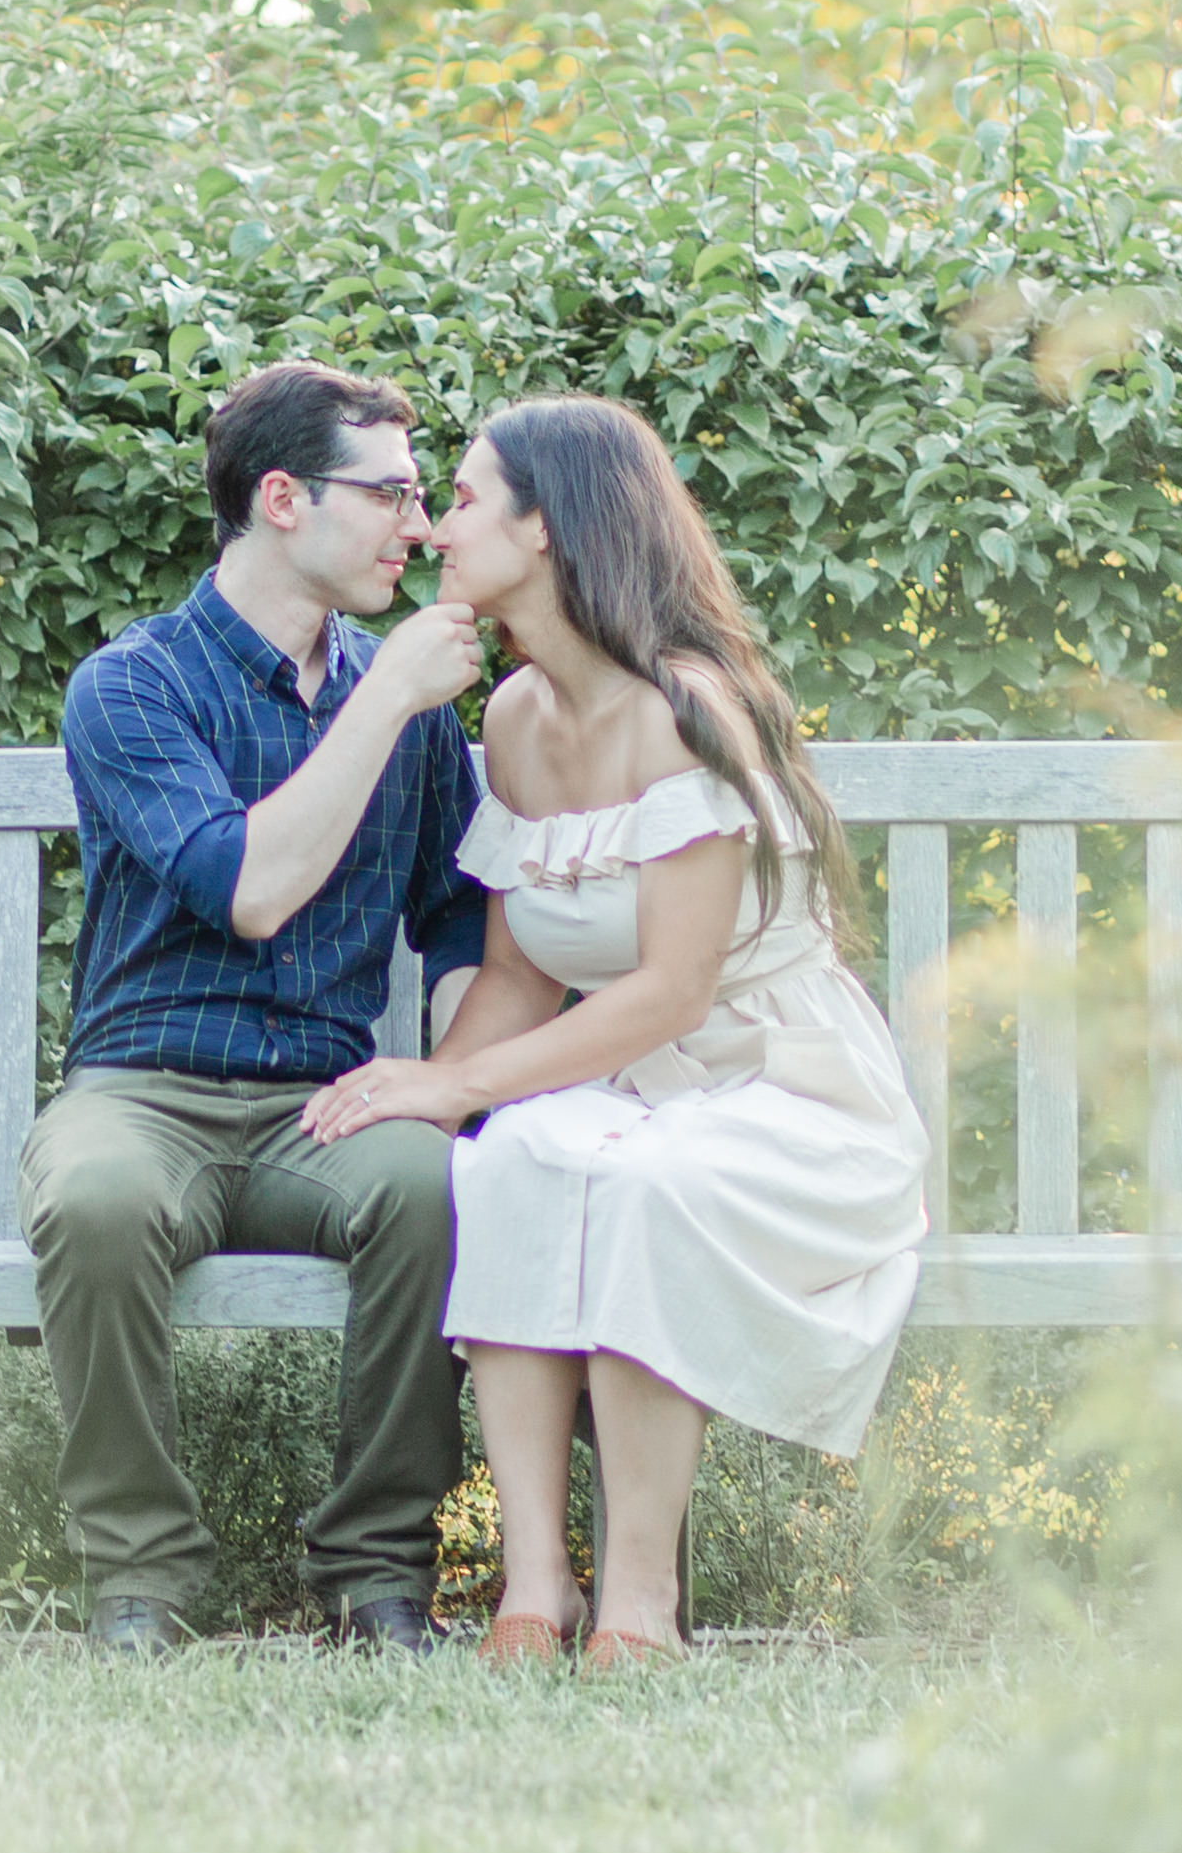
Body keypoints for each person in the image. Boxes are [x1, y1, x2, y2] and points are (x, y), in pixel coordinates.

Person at [298, 393, 926, 1665]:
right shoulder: (517, 722)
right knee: (513, 1158)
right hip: (641, 1084)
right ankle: (535, 1589)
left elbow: (669, 992)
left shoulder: (686, 709)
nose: (432, 528)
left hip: (782, 1086)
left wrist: (453, 1078)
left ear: (548, 528)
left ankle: (639, 1600)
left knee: (641, 1181)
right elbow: (528, 974)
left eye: (464, 498)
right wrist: (433, 1087)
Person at [25, 362, 491, 1657]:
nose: (419, 523)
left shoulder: (400, 696)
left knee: (439, 1183)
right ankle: (138, 1579)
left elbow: (458, 915)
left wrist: (443, 1079)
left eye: (420, 493)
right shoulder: (132, 686)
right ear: (281, 498)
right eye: (389, 492)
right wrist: (389, 696)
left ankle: (380, 1574)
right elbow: (245, 888)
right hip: (144, 1091)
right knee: (96, 1200)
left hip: (323, 1104)